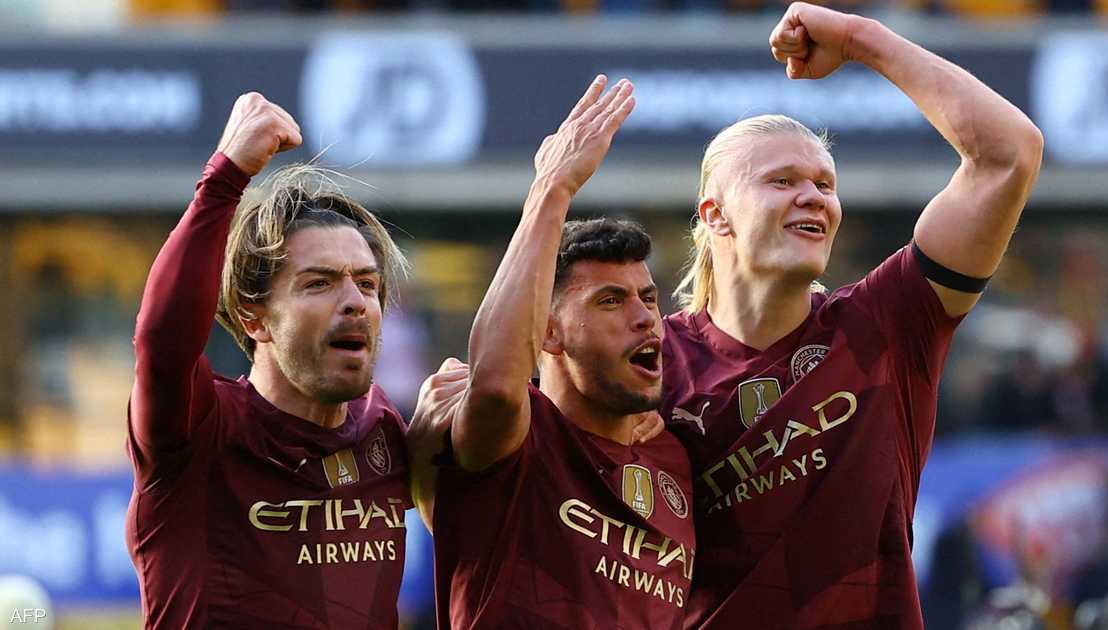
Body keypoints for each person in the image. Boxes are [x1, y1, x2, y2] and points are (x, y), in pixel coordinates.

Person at [661, 3, 1044, 628]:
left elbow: (1009, 153)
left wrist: (861, 38)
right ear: (715, 215)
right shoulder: (649, 363)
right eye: (782, 181)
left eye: (825, 184)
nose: (813, 197)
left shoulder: (883, 325)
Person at [411, 76, 695, 629]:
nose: (644, 316)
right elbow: (496, 387)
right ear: (548, 333)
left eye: (647, 298)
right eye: (610, 301)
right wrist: (552, 189)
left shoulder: (675, 454)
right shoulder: (514, 440)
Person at [126, 92, 413, 628]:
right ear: (253, 317)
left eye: (367, 283)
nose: (355, 301)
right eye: (319, 283)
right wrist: (225, 177)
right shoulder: (198, 431)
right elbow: (162, 345)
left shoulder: (385, 430)